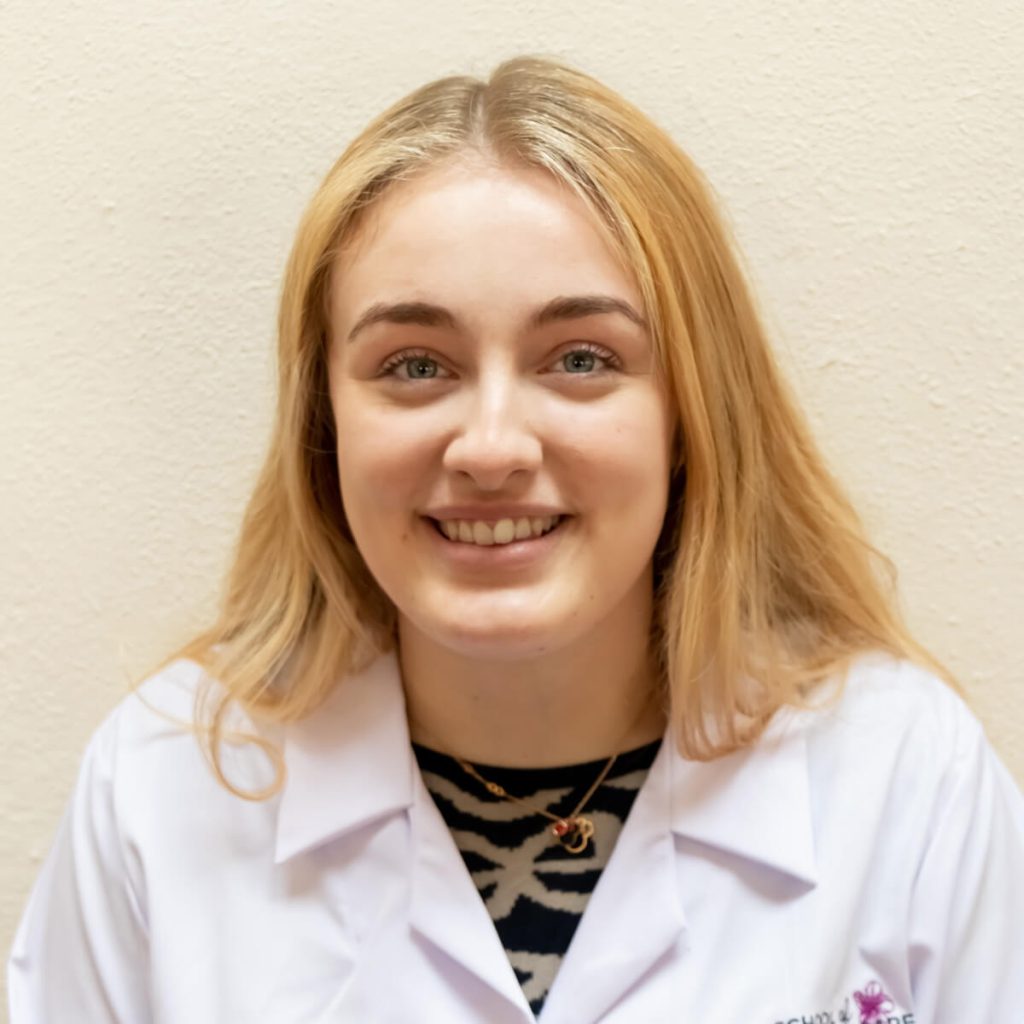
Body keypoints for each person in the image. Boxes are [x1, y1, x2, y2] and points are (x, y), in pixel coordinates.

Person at [8, 54, 1024, 1024]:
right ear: (323, 425)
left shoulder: (902, 780)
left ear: (690, 415)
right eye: (413, 365)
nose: (489, 446)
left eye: (580, 357)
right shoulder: (162, 783)